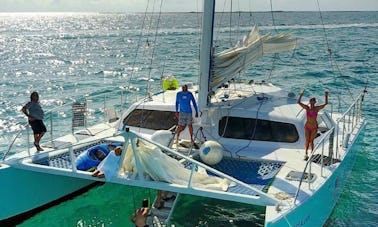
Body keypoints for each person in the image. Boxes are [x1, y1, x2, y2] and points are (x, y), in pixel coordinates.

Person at [297, 89, 329, 161]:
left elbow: (326, 103)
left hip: (314, 127)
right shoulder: (307, 108)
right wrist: (301, 95)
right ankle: (306, 153)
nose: (311, 102)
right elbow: (298, 102)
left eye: (313, 101)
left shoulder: (316, 109)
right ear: (309, 102)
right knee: (307, 140)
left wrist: (326, 95)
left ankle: (312, 152)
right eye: (310, 101)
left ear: (314, 102)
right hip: (307, 126)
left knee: (311, 140)